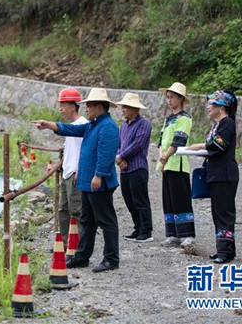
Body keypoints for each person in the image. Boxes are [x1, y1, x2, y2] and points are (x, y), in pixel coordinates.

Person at [32, 88, 120, 273]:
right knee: (87, 220)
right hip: (87, 182)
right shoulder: (92, 125)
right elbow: (70, 129)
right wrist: (48, 125)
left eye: (89, 105)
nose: (86, 108)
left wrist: (99, 174)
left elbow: (106, 153)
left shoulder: (108, 126)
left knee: (106, 221)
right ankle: (81, 257)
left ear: (99, 106)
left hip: (98, 182)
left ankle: (111, 259)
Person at [187, 90, 239, 264]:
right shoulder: (218, 125)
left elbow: (218, 145)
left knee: (224, 212)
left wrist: (200, 146)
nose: (208, 107)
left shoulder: (227, 123)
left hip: (225, 174)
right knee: (217, 212)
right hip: (216, 174)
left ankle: (225, 252)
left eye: (211, 104)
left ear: (221, 107)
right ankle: (224, 250)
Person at [157, 82, 195, 247]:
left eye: (172, 97)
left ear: (181, 99)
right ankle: (172, 233)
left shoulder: (184, 118)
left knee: (181, 198)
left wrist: (166, 155)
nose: (169, 100)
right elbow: (161, 140)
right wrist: (161, 155)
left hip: (177, 163)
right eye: (168, 97)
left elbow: (179, 139)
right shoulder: (168, 119)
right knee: (168, 199)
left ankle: (187, 234)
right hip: (166, 163)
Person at [115, 93, 153, 243]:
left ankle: (146, 230)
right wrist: (119, 158)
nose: (123, 109)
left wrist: (121, 156)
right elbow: (118, 145)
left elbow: (138, 144)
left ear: (134, 108)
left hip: (138, 167)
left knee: (140, 199)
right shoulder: (124, 126)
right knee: (129, 199)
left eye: (126, 107)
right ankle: (138, 228)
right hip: (125, 168)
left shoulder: (144, 124)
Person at [56, 87, 88, 248]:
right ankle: (64, 244)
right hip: (67, 172)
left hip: (75, 173)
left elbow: (86, 151)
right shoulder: (72, 126)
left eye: (63, 105)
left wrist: (80, 170)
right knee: (63, 209)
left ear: (72, 106)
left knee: (76, 211)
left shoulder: (83, 125)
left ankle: (78, 247)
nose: (61, 109)